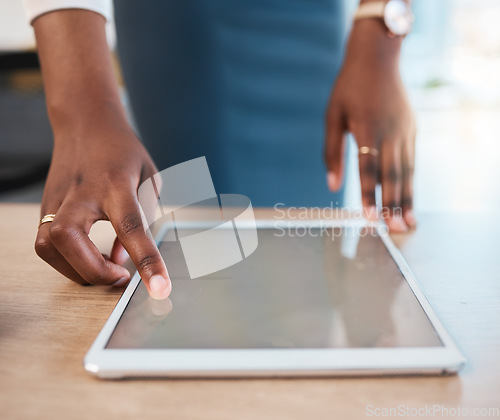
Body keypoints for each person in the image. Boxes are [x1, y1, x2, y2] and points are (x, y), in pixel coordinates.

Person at [24, 0, 416, 300]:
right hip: (184, 32)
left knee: (303, 265)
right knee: (207, 275)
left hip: (311, 22)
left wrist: (380, 28)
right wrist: (82, 111)